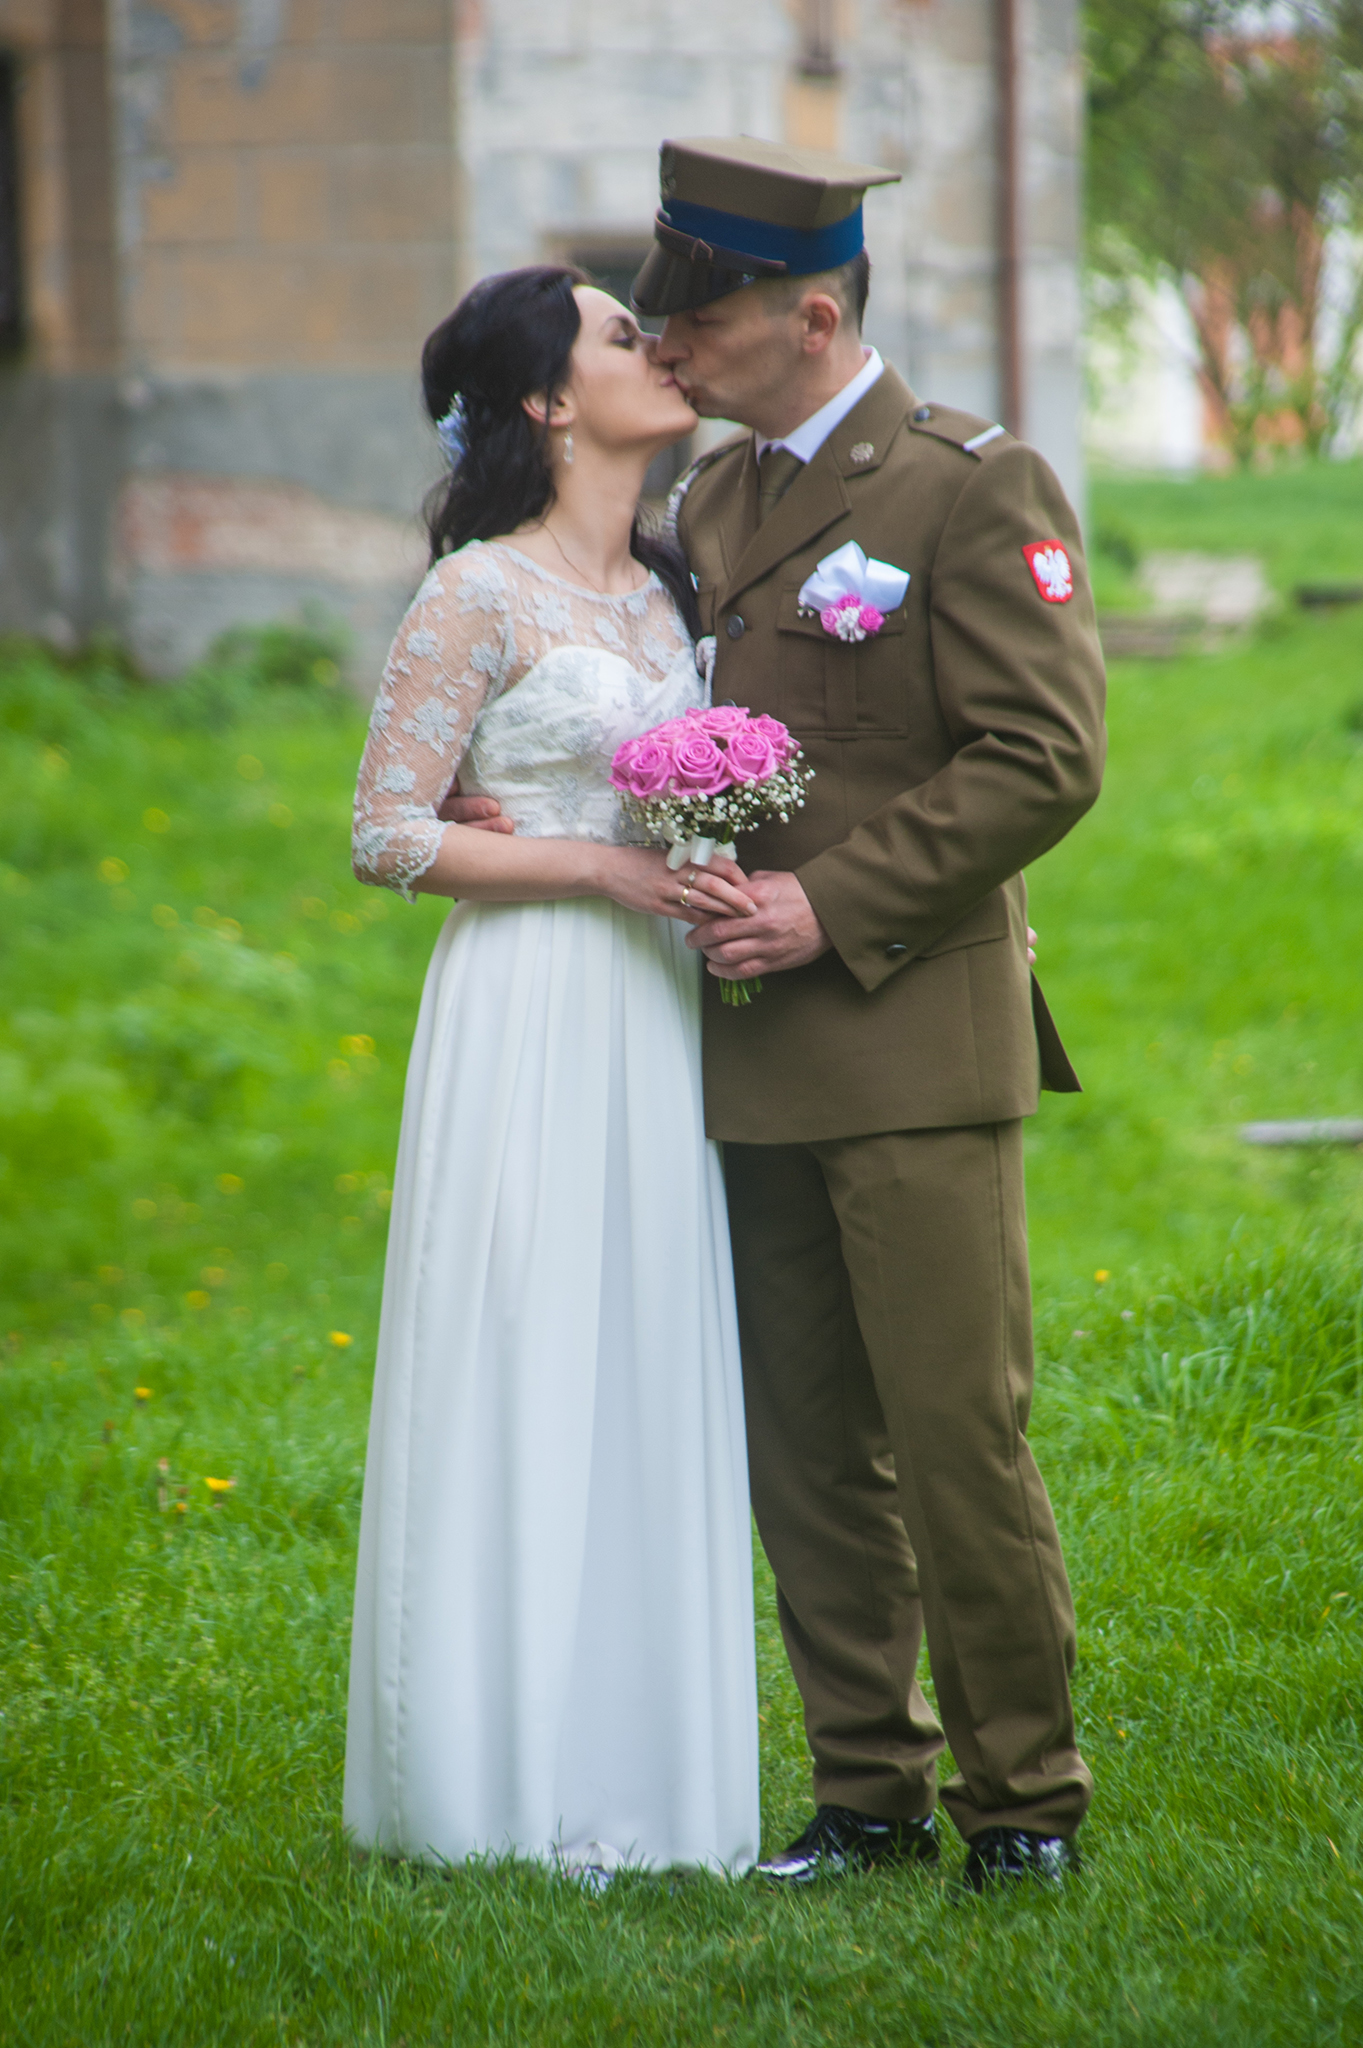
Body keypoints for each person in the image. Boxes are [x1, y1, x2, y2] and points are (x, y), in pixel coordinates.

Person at [452, 135, 1107, 1892]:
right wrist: (521, 806)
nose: (670, 344)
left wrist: (834, 901)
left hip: (910, 1038)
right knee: (807, 1449)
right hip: (741, 1051)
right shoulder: (719, 506)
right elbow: (653, 722)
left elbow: (1045, 757)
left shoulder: (971, 485)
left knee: (956, 1438)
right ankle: (869, 1792)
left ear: (813, 317)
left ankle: (1024, 1806)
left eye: (705, 318)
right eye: (656, 319)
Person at [342, 265, 762, 1881]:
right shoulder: (477, 594)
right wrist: (596, 868)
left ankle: (643, 1778)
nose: (658, 350)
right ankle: (481, 1778)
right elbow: (387, 832)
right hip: (526, 1006)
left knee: (643, 1346)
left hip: (658, 1011)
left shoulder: (673, 590)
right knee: (519, 1343)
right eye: (618, 335)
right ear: (546, 400)